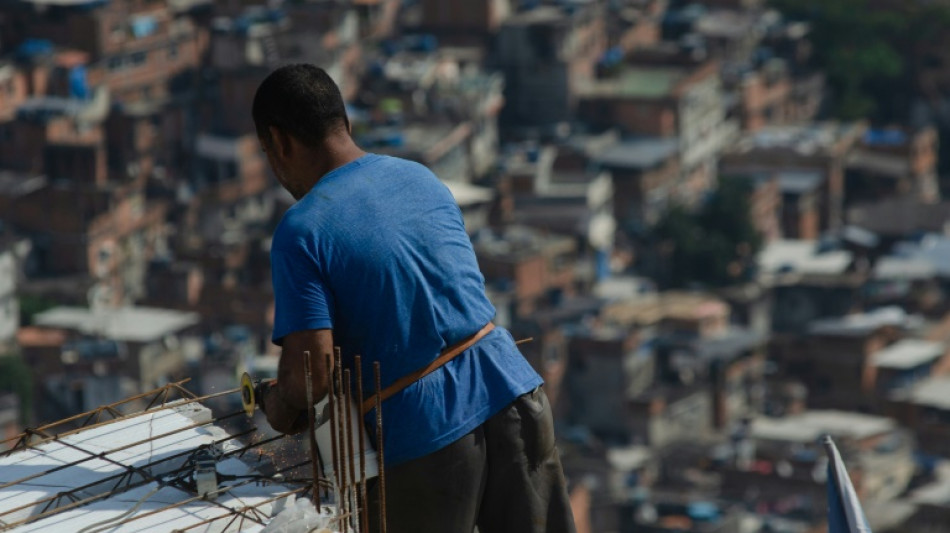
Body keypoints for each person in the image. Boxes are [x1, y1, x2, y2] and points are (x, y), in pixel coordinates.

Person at [252, 63, 576, 533]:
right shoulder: (419, 177)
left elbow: (311, 376)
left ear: (279, 142)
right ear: (345, 123)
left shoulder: (301, 230)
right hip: (515, 394)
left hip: (429, 440)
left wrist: (278, 403)